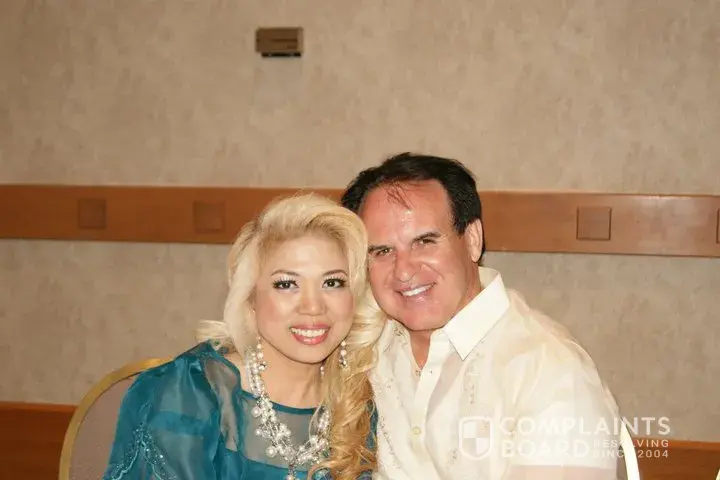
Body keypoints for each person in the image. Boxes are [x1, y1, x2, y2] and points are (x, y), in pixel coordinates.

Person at [341, 153, 622, 479]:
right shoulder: (365, 343)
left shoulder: (549, 373)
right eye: (382, 251)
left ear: (473, 240)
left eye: (424, 242)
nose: (403, 271)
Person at [102, 194, 384, 480]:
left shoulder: (364, 401)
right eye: (287, 284)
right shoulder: (189, 393)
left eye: (332, 282)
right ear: (250, 298)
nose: (313, 306)